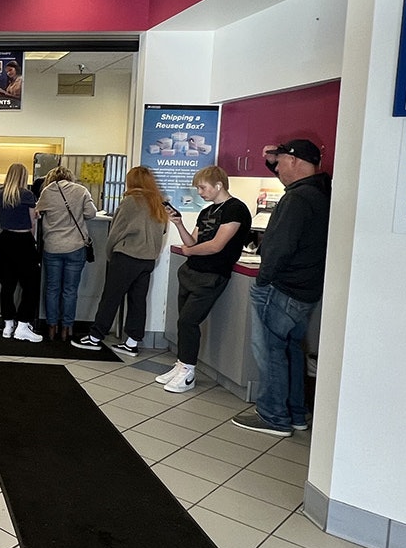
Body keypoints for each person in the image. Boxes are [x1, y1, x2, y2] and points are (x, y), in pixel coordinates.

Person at [231, 138, 331, 437]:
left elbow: (281, 246)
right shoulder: (320, 192)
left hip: (282, 287)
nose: (278, 168)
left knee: (271, 351)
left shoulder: (297, 199)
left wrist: (264, 278)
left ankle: (274, 415)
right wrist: (271, 160)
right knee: (292, 350)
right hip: (306, 289)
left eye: (282, 162)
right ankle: (296, 413)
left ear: (296, 161)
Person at [159, 165, 253, 392]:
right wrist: (179, 223)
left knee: (188, 321)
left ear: (218, 185)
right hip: (192, 272)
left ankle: (188, 371)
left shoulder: (235, 209)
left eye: (202, 187)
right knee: (184, 321)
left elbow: (216, 246)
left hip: (212, 275)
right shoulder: (206, 212)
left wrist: (189, 251)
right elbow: (192, 242)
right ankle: (182, 363)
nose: (199, 192)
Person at [71, 166, 168, 357]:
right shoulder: (159, 203)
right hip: (148, 260)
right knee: (138, 301)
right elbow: (162, 231)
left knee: (111, 297)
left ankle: (95, 337)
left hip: (127, 256)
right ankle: (131, 343)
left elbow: (116, 232)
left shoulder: (131, 201)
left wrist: (109, 254)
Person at [35, 165, 99, 341]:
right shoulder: (81, 190)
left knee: (52, 289)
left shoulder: (47, 191)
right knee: (70, 290)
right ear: (70, 176)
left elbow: (37, 212)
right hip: (75, 247)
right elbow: (91, 213)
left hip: (52, 247)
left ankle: (51, 327)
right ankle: (67, 329)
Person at [0, 162, 42, 342]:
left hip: (5, 241)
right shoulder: (27, 194)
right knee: (30, 286)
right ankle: (22, 325)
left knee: (7, 286)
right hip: (23, 242)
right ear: (24, 176)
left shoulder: (0, 193)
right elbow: (32, 223)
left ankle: (7, 325)